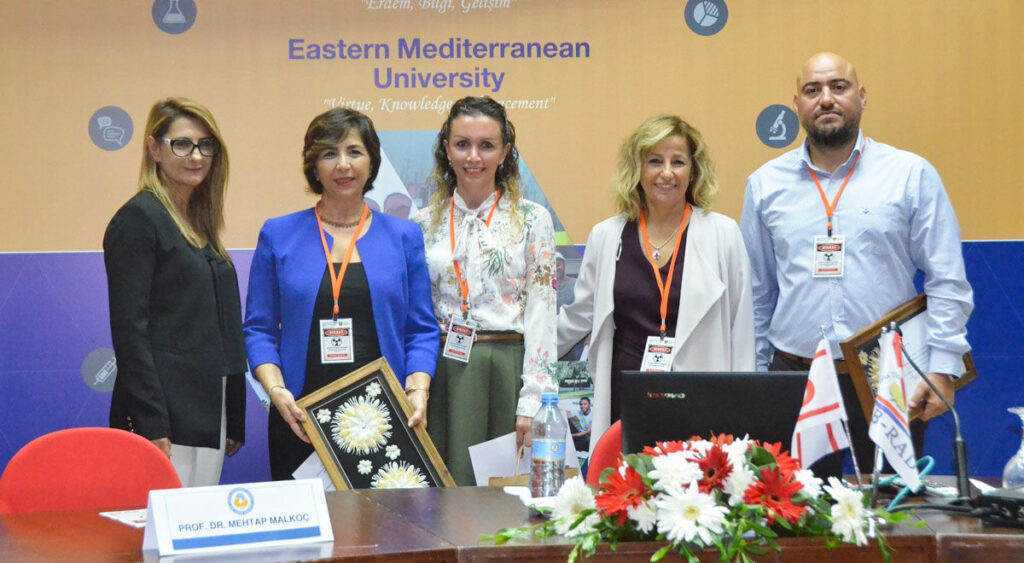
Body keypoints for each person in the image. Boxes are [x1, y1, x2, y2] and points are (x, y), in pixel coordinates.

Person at [740, 52, 973, 475]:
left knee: (892, 508)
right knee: (793, 512)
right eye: (813, 90)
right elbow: (756, 294)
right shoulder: (764, 185)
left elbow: (947, 280)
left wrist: (943, 368)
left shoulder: (909, 174)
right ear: (796, 105)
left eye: (839, 87)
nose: (826, 99)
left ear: (862, 96)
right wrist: (757, 379)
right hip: (794, 378)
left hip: (886, 376)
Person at [244, 107, 439, 480]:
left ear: (372, 162)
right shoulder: (278, 234)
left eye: (354, 152)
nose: (343, 165)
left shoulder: (404, 236)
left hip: (385, 416)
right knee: (305, 519)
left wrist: (418, 390)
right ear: (313, 166)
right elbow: (259, 329)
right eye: (329, 154)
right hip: (298, 416)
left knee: (383, 518)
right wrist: (277, 391)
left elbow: (421, 329)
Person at [557, 115, 755, 456]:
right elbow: (578, 316)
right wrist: (526, 355)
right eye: (654, 161)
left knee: (694, 484)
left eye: (678, 162)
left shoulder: (723, 234)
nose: (667, 173)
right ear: (637, 169)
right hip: (625, 397)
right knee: (626, 483)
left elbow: (742, 331)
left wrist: (741, 413)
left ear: (693, 170)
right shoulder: (607, 235)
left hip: (700, 394)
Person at [414, 96, 558, 485]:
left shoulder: (532, 219)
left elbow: (542, 313)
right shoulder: (422, 223)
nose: (473, 157)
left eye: (487, 145)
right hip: (443, 372)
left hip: (506, 367)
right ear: (447, 149)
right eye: (462, 144)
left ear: (505, 152)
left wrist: (534, 398)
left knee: (501, 496)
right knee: (443, 493)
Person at [103, 97, 246, 487]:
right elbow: (130, 331)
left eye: (205, 145)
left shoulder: (200, 224)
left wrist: (233, 413)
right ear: (154, 149)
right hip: (163, 418)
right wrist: (151, 421)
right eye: (181, 144)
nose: (196, 156)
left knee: (199, 520)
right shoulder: (139, 219)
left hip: (209, 413)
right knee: (164, 521)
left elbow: (223, 329)